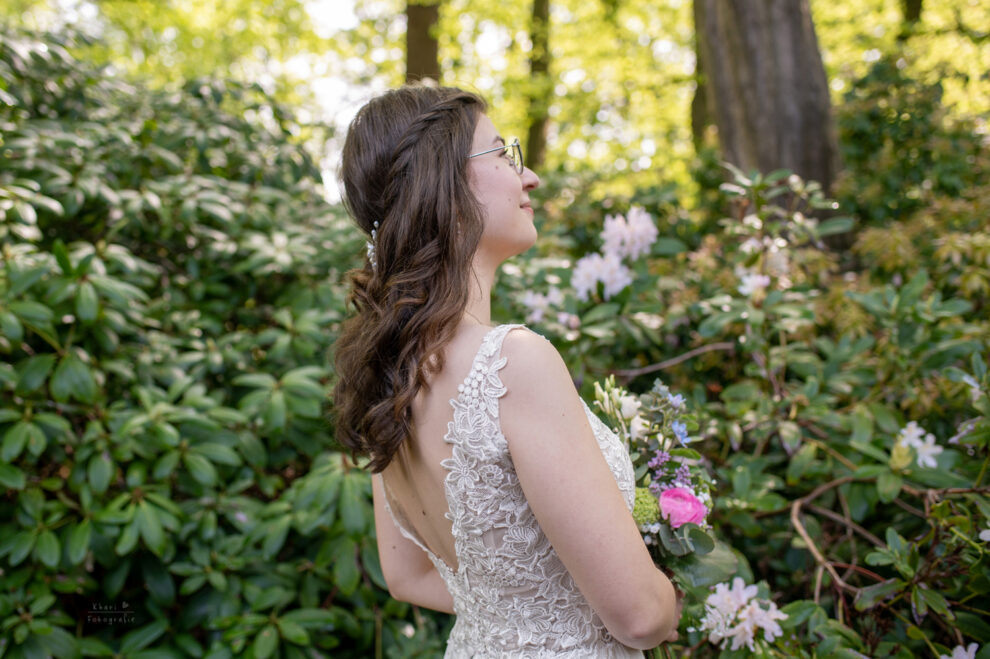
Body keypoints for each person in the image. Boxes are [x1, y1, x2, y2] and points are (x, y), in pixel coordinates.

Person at [332, 84, 680, 657]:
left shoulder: (388, 381)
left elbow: (408, 578)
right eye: (501, 153)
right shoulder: (513, 363)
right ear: (442, 184)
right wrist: (673, 598)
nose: (531, 177)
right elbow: (640, 617)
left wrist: (528, 608)